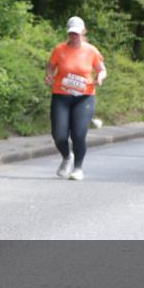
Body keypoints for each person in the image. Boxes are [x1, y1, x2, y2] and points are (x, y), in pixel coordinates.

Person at [45, 16, 107, 180]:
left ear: (83, 32)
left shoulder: (91, 51)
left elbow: (102, 69)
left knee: (78, 134)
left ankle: (78, 168)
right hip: (61, 96)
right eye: (71, 33)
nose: (74, 36)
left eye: (77, 33)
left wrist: (100, 77)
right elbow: (50, 66)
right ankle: (67, 156)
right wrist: (49, 76)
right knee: (59, 135)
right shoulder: (59, 50)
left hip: (84, 97)